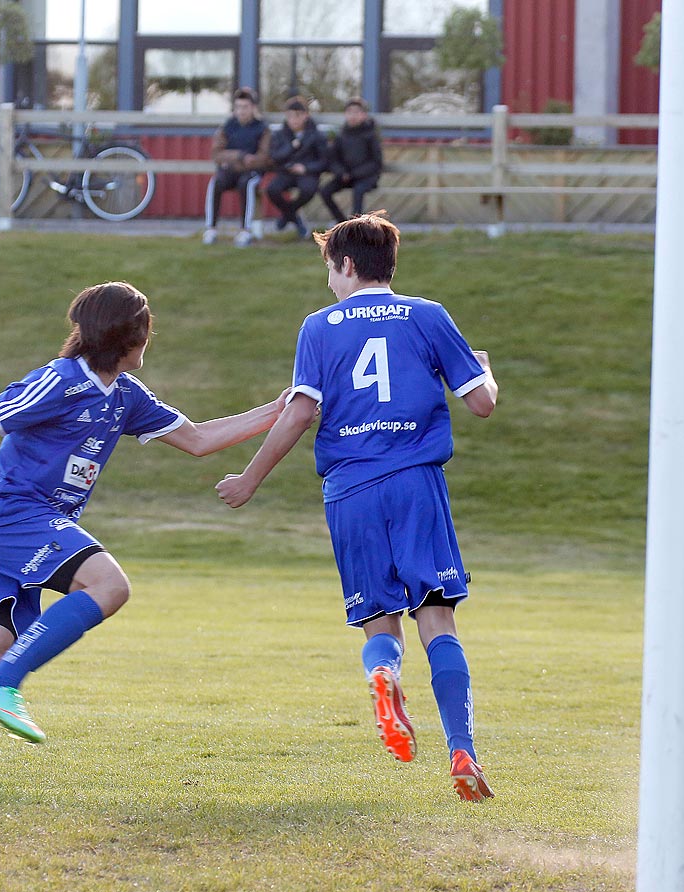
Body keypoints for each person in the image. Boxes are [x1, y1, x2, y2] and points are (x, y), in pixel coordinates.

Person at [0, 282, 285, 786]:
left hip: (17, 532)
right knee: (109, 586)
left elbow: (199, 439)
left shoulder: (126, 396)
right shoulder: (59, 381)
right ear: (130, 336)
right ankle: (5, 683)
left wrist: (277, 409)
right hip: (13, 518)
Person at [215, 214, 499, 802]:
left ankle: (383, 673)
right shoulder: (428, 315)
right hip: (416, 483)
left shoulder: (320, 328)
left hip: (350, 489)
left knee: (380, 620)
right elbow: (482, 405)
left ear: (345, 265)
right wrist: (486, 370)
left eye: (328, 270)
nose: (328, 283)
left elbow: (298, 412)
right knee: (437, 619)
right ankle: (461, 747)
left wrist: (249, 478)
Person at [203, 87, 270, 248]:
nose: (241, 111)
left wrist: (233, 159)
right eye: (238, 107)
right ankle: (211, 229)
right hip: (232, 170)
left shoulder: (262, 129)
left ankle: (245, 231)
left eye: (245, 107)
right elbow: (216, 154)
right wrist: (240, 156)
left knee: (246, 184)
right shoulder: (227, 127)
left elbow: (263, 158)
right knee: (216, 182)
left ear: (253, 108)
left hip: (252, 173)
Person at [265, 96, 329, 239]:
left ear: (306, 115)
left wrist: (305, 168)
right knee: (272, 189)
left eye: (298, 115)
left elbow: (324, 161)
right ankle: (295, 218)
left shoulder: (316, 135)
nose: (294, 119)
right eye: (290, 116)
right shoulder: (280, 134)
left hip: (307, 173)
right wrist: (291, 148)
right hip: (286, 172)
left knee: (308, 189)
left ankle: (287, 215)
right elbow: (275, 156)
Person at [318, 98, 383, 224]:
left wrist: (354, 174)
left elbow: (376, 162)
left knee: (358, 191)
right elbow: (333, 159)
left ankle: (356, 227)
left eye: (357, 112)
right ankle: (341, 223)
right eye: (350, 112)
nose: (353, 116)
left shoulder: (371, 135)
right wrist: (341, 173)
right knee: (325, 191)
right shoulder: (341, 135)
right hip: (345, 176)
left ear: (364, 115)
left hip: (366, 177)